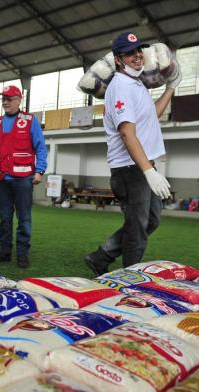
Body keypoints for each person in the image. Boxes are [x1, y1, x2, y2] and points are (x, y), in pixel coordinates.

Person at [84, 32, 181, 276]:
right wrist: (148, 171)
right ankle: (129, 279)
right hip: (130, 168)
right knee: (138, 226)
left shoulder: (136, 83)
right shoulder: (120, 87)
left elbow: (151, 117)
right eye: (130, 52)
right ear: (118, 59)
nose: (137, 55)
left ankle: (101, 256)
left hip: (140, 165)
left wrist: (170, 88)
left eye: (139, 50)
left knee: (150, 221)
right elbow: (127, 133)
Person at [0, 85, 47, 268]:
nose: (5, 102)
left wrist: (39, 170)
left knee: (24, 218)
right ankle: (4, 251)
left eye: (9, 98)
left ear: (19, 100)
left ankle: (22, 254)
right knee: (4, 218)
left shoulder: (29, 120)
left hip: (24, 178)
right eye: (3, 99)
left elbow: (40, 147)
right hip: (2, 179)